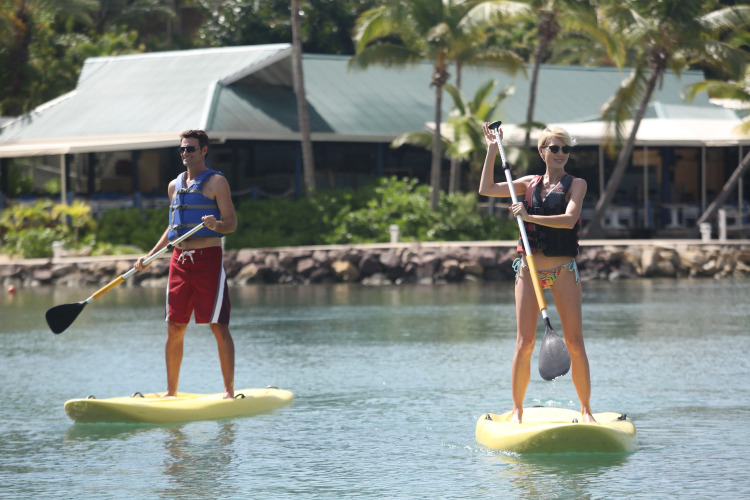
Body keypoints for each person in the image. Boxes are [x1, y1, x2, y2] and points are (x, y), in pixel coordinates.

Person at [478, 123, 594, 424]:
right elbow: (486, 189)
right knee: (524, 342)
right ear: (542, 151)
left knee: (575, 342)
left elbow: (569, 220)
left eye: (565, 149)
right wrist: (492, 149)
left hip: (563, 270)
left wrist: (528, 216)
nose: (560, 153)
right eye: (554, 148)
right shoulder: (528, 183)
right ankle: (517, 411)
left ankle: (586, 411)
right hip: (528, 270)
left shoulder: (576, 184)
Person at [135, 129, 237, 399]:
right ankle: (171, 392)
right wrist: (150, 256)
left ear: (204, 151)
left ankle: (228, 390)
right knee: (174, 326)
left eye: (190, 148)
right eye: (182, 149)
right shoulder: (174, 186)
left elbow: (231, 224)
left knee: (218, 325)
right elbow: (173, 228)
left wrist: (216, 225)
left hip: (208, 261)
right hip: (179, 262)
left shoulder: (217, 182)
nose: (185, 153)